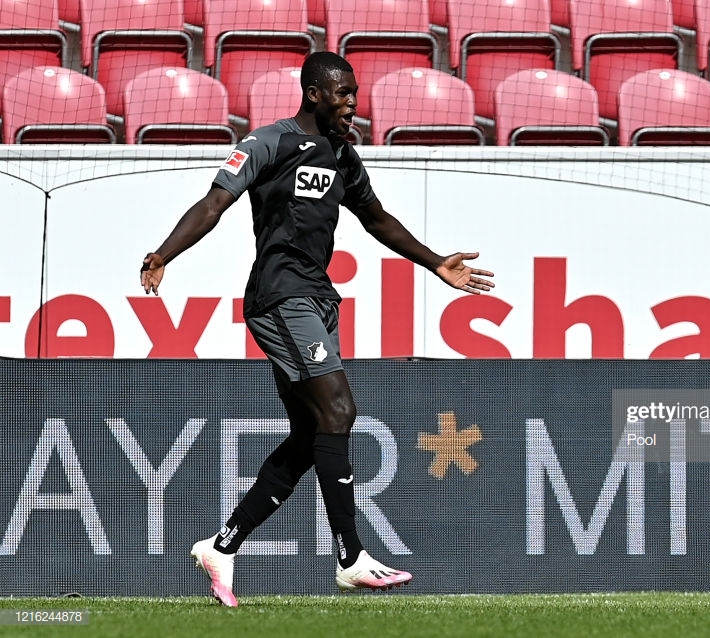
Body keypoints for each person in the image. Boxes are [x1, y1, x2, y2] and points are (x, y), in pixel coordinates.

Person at [139, 52, 495, 607]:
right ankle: (351, 557)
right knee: (339, 411)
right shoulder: (268, 143)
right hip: (279, 297)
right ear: (313, 93)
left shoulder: (344, 156)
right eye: (342, 93)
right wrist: (164, 253)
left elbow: (376, 218)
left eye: (354, 92)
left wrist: (433, 262)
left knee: (311, 436)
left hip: (317, 299)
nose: (352, 102)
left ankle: (222, 546)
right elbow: (214, 203)